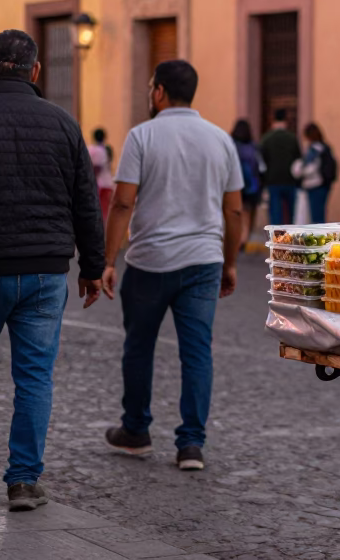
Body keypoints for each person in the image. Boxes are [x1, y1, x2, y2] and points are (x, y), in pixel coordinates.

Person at [0, 30, 105, 511]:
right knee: (35, 375)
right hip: (45, 273)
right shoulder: (64, 124)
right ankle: (24, 480)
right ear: (35, 72)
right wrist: (92, 267)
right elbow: (86, 205)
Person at [100, 60, 244, 472]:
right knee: (197, 352)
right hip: (203, 261)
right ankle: (191, 445)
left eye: (151, 88)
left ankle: (136, 430)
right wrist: (230, 263)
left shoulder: (142, 136)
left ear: (159, 91)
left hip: (150, 261)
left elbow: (123, 202)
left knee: (139, 347)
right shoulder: (220, 140)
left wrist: (108, 260)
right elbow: (233, 211)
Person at [259, 109, 301, 226]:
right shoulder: (292, 138)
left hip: (272, 180)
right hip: (290, 180)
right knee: (291, 214)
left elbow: (261, 161)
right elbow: (298, 159)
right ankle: (291, 238)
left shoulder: (266, 139)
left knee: (276, 214)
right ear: (286, 119)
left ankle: (277, 239)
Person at [293, 123, 336, 225]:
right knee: (320, 214)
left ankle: (318, 238)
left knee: (316, 217)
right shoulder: (324, 147)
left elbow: (310, 167)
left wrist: (299, 171)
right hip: (324, 184)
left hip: (315, 185)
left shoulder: (314, 149)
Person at [232, 119, 263, 247]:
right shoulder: (253, 147)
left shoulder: (231, 145)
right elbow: (260, 167)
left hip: (234, 185)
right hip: (251, 186)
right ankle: (244, 237)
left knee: (235, 213)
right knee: (248, 213)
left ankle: (236, 237)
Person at [90, 128, 115, 223]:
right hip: (107, 184)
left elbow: (96, 167)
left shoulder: (94, 149)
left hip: (99, 184)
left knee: (99, 211)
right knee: (105, 211)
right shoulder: (107, 149)